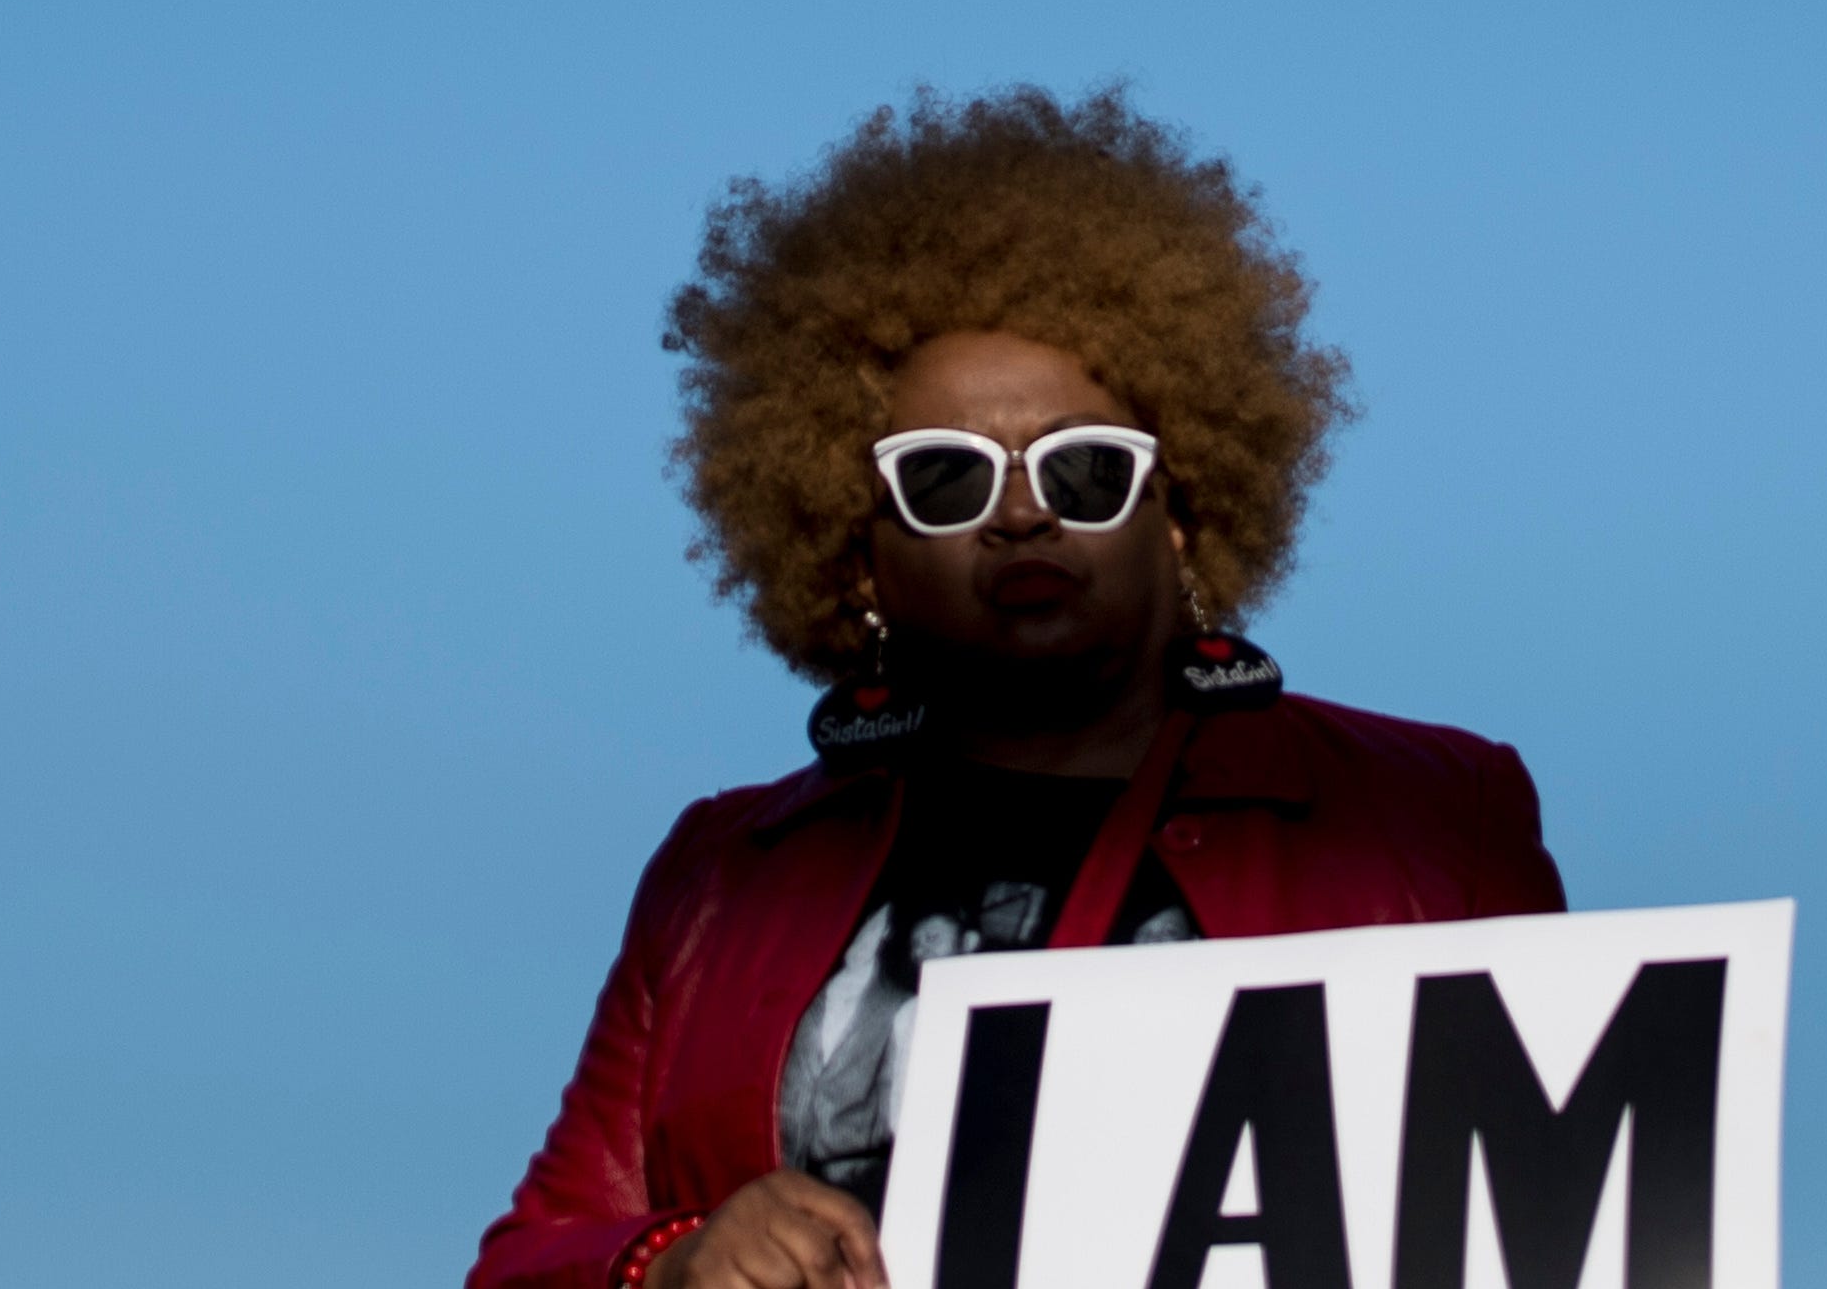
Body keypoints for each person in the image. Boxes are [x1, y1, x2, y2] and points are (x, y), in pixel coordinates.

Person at [473, 88, 1565, 1289]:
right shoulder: (719, 879)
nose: (1024, 510)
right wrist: (672, 1264)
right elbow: (534, 1254)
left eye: (1086, 468)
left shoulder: (1434, 818)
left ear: (1182, 513)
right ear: (857, 551)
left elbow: (1556, 1225)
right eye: (945, 478)